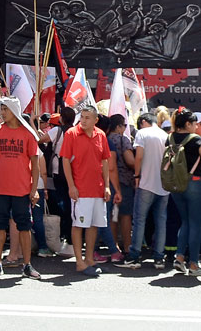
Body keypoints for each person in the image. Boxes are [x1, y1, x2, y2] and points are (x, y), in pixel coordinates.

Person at [0, 96, 41, 280]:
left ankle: (27, 265)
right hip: (1, 189)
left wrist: (34, 189)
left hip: (22, 190)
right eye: (1, 109)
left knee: (24, 227)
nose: (1, 113)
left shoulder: (28, 134)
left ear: (14, 111)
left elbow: (35, 163)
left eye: (5, 109)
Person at [60, 103, 119, 277]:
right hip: (80, 190)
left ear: (95, 120)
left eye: (87, 118)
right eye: (82, 117)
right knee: (79, 225)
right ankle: (79, 262)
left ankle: (89, 260)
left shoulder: (101, 135)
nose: (83, 121)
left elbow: (105, 161)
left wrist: (107, 186)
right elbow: (65, 160)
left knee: (94, 225)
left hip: (98, 189)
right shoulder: (71, 134)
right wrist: (71, 186)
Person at [119, 111, 168, 269]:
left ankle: (134, 256)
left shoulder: (142, 133)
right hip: (163, 184)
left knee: (139, 220)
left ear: (144, 122)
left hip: (146, 183)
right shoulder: (164, 134)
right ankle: (159, 258)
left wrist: (137, 175)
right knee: (161, 221)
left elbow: (138, 156)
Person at [169, 108, 201, 277]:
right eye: (194, 123)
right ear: (188, 124)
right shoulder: (196, 140)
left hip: (176, 185)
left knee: (185, 221)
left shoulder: (170, 138)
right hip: (196, 183)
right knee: (195, 224)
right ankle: (194, 264)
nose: (196, 127)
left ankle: (179, 258)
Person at [107, 113, 134, 260]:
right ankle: (127, 246)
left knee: (112, 216)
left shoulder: (104, 138)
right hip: (124, 181)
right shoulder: (123, 140)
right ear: (118, 126)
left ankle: (113, 246)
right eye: (124, 125)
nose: (125, 128)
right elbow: (130, 160)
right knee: (125, 215)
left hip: (108, 181)